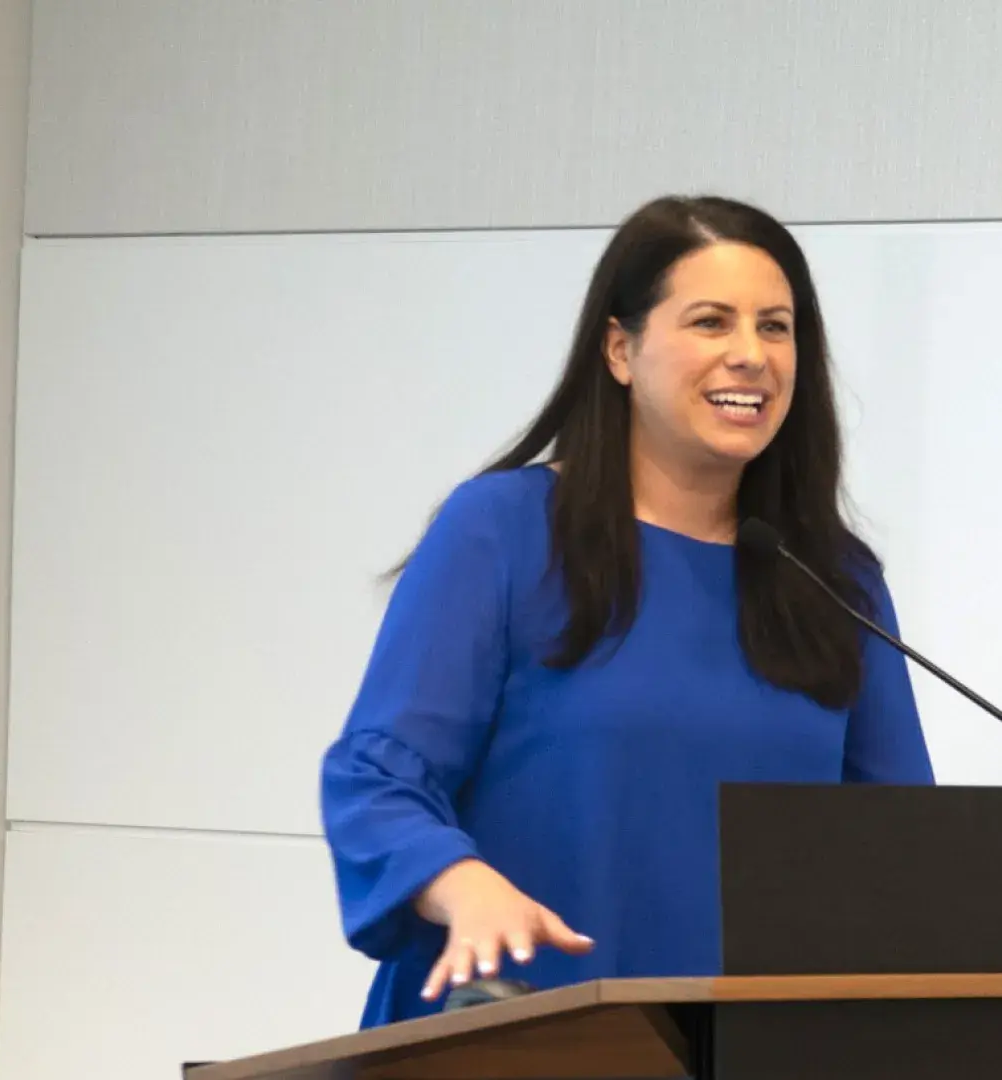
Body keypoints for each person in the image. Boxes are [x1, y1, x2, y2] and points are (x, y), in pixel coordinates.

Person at [318, 194, 936, 1028]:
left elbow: (899, 848)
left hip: (752, 1049)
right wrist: (460, 885)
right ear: (620, 348)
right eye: (712, 323)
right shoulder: (503, 530)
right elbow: (378, 776)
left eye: (776, 327)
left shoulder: (834, 580)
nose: (750, 355)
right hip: (522, 1036)